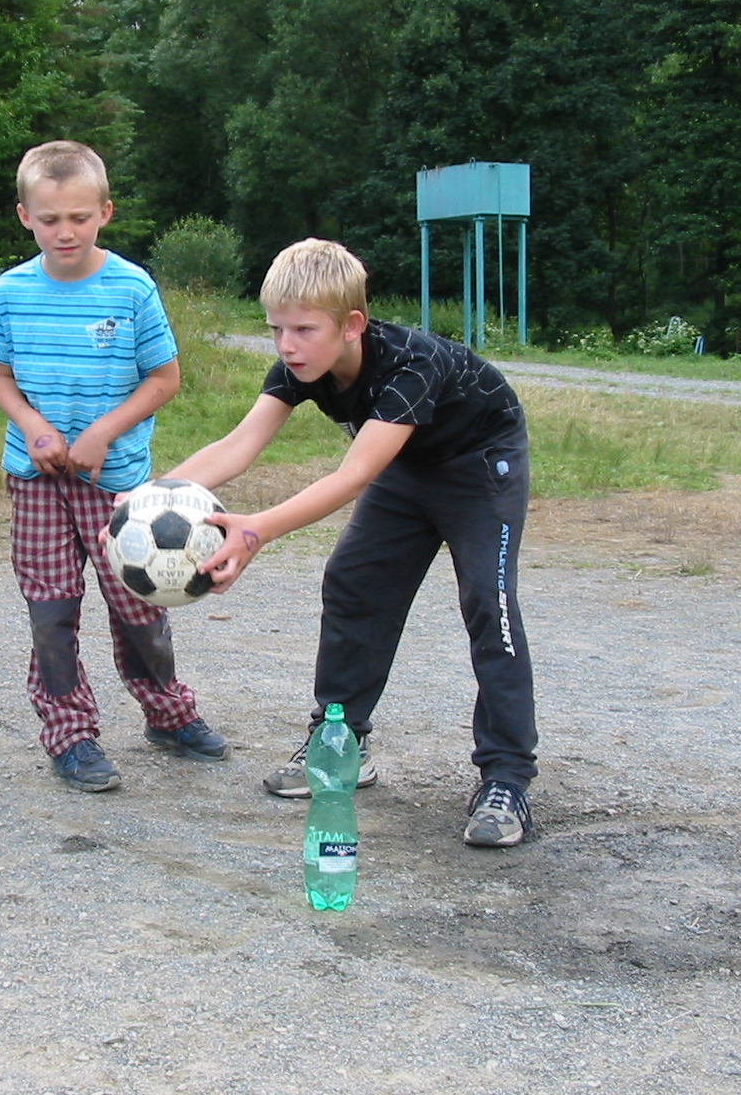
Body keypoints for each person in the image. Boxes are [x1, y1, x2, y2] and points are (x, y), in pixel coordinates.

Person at [167, 239, 538, 846]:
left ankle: (507, 779)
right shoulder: (297, 369)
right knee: (353, 582)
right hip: (406, 467)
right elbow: (237, 447)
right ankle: (341, 743)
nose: (287, 346)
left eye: (304, 330)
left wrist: (258, 528)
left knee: (487, 603)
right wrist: (152, 497)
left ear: (352, 325)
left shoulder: (410, 364)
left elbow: (353, 475)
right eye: (276, 329)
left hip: (479, 468)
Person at [0, 139, 226, 793]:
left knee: (139, 604)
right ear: (25, 216)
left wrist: (103, 432)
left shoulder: (132, 288)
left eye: (79, 217)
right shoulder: (9, 292)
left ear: (105, 213)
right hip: (36, 483)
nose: (66, 231)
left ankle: (169, 714)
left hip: (115, 487)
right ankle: (70, 735)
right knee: (51, 611)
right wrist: (33, 427)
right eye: (50, 218)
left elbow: (164, 379)